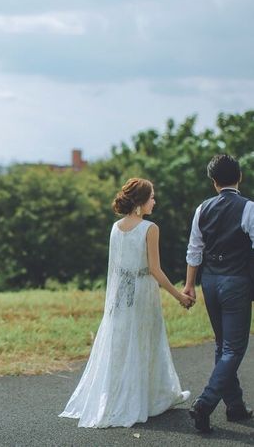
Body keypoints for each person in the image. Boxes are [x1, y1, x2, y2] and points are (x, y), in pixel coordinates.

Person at [59, 178, 193, 428]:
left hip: (120, 296)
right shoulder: (150, 228)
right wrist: (179, 296)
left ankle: (121, 396)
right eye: (151, 197)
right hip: (142, 293)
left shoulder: (116, 227)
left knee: (122, 343)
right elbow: (155, 269)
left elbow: (115, 269)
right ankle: (151, 398)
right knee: (146, 340)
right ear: (141, 201)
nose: (155, 201)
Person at [184, 154, 254, 434]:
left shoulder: (202, 208)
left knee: (222, 345)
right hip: (237, 282)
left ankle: (235, 406)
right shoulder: (249, 208)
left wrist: (189, 285)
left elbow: (194, 249)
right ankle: (205, 403)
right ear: (240, 177)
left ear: (214, 182)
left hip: (210, 282)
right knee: (234, 348)